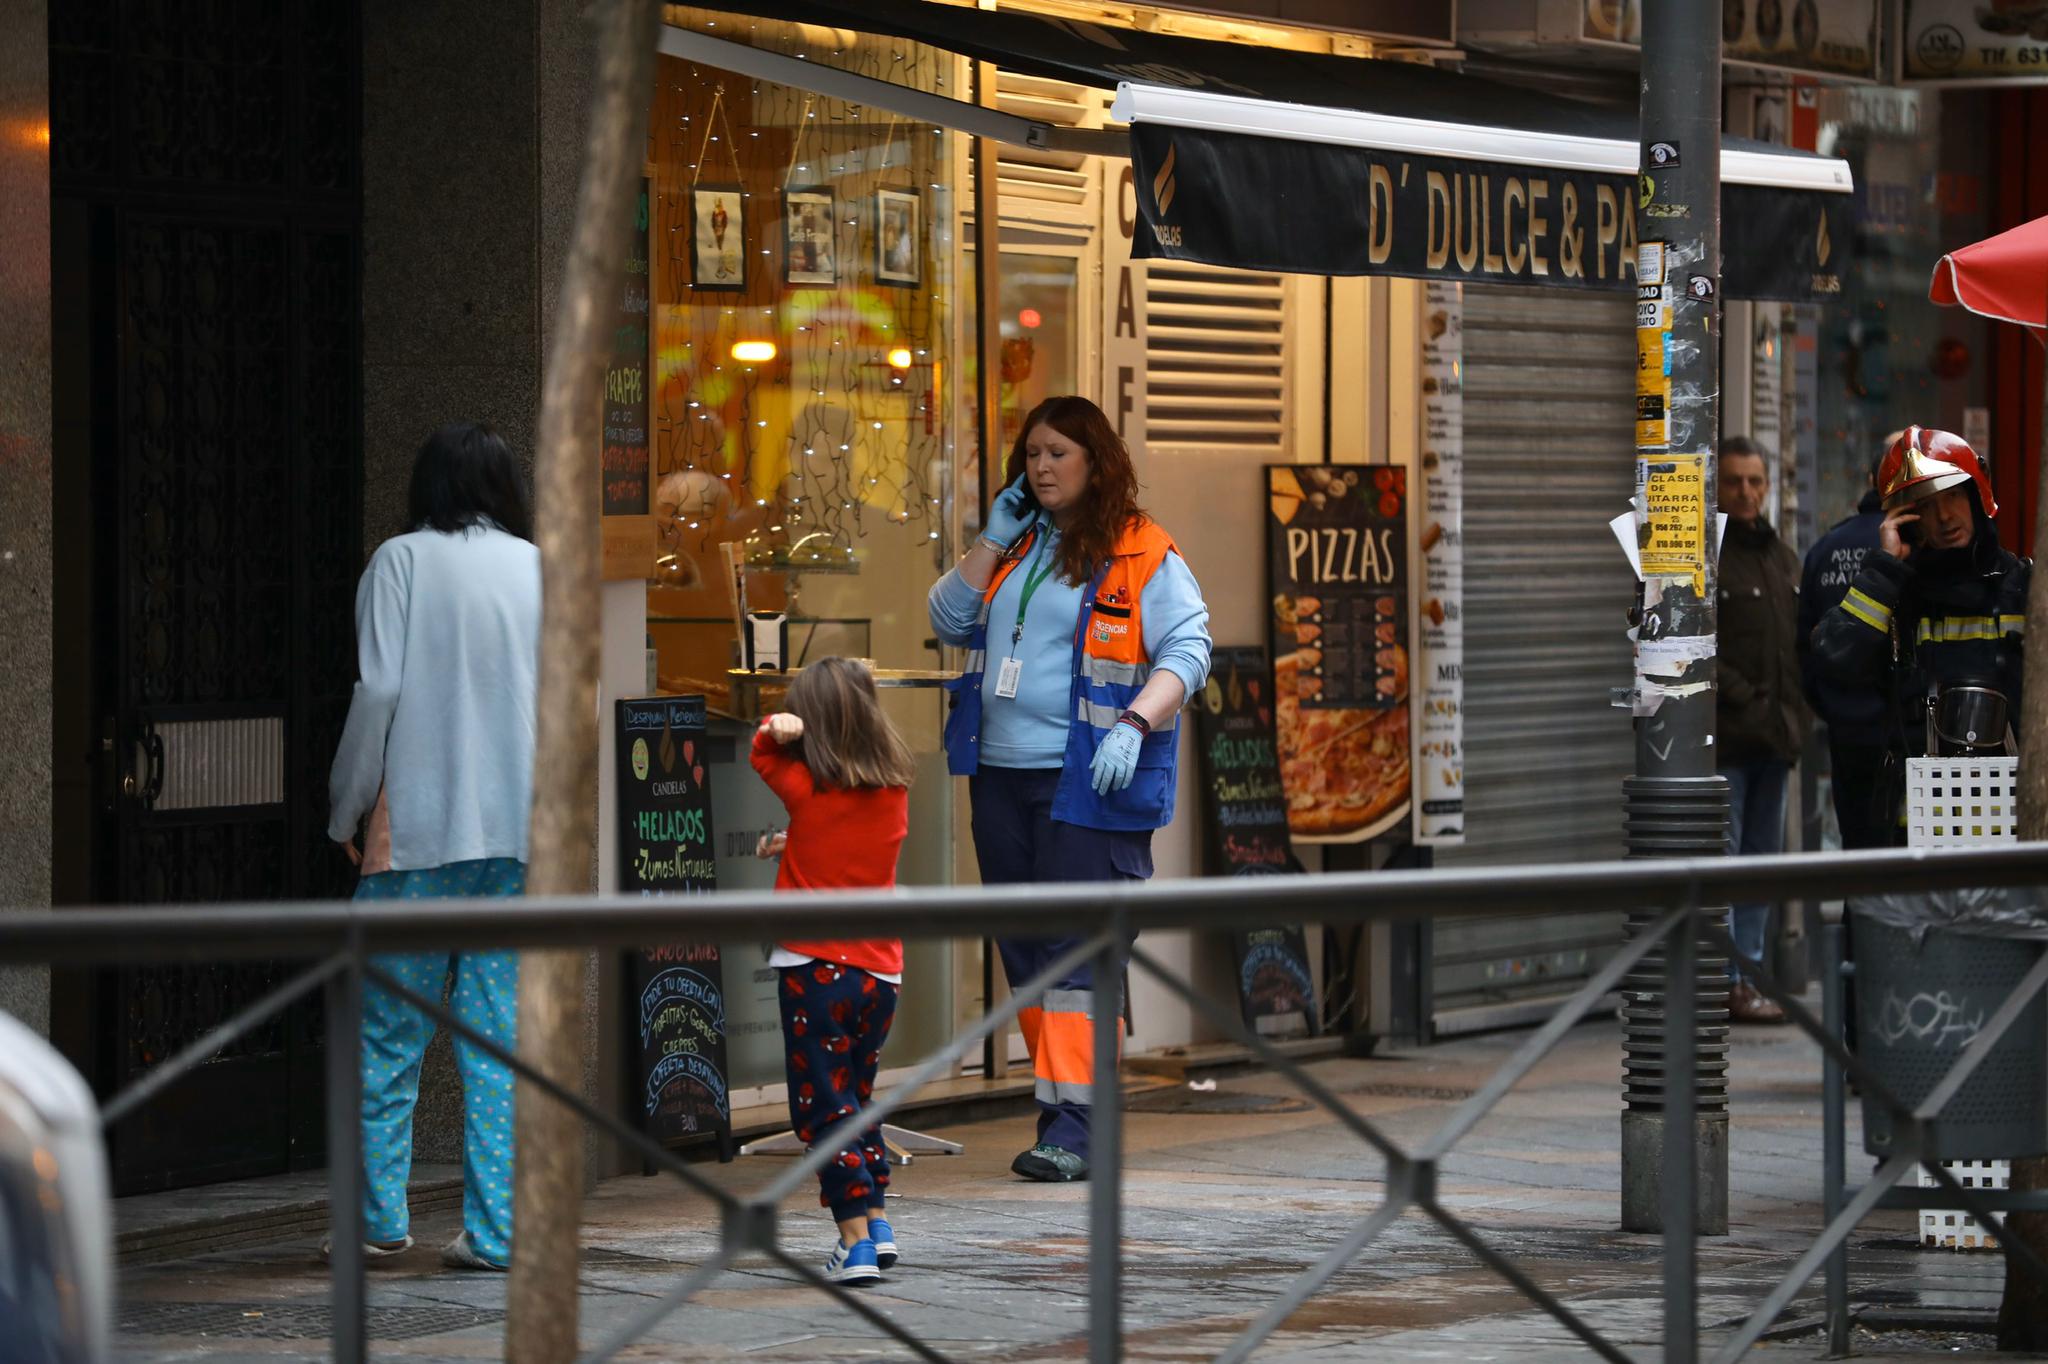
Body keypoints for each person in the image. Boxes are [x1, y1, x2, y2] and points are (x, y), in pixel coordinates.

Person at [927, 395, 1212, 1184]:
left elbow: (1189, 650)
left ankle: (1078, 1129)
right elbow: (947, 619)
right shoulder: (1017, 544)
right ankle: (1067, 1114)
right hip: (999, 776)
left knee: (1078, 955)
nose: (1042, 467)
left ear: (1096, 460)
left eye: (1058, 453)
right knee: (1027, 955)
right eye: (1032, 454)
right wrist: (990, 538)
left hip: (1088, 780)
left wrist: (1135, 724)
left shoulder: (1142, 548)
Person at [325, 422, 541, 1272]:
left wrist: (345, 809)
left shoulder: (399, 561)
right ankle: (496, 1233)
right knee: (495, 1044)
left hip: (414, 833)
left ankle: (377, 1219)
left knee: (387, 1037)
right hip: (516, 836)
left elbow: (377, 689)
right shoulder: (540, 568)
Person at [750, 658, 916, 1287]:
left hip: (814, 968)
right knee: (856, 1099)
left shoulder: (805, 787)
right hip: (880, 972)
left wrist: (778, 726)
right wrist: (794, 842)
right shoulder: (895, 789)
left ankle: (854, 1242)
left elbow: (761, 751)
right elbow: (841, 841)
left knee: (824, 1107)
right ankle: (878, 1220)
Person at [1811, 426, 2027, 837]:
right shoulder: (1894, 596)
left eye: (1952, 496)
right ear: (1908, 521)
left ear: (1977, 496)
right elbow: (1833, 662)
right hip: (1917, 837)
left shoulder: (2024, 590)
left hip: (2011, 830)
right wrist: (1883, 570)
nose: (1944, 517)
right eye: (1926, 506)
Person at [1715, 436, 1808, 1024]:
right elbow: (1694, 643)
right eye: (1734, 481)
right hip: (1728, 738)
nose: (1746, 492)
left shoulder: (1783, 558)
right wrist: (1745, 698)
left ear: (1769, 487)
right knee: (1725, 864)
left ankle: (1746, 978)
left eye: (1755, 481)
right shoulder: (1707, 556)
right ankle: (1726, 982)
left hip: (1776, 739)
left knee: (1759, 865)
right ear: (1716, 487)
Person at [1798, 441, 1896, 850]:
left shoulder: (1826, 548)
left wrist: (1833, 707)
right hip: (1902, 736)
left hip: (1845, 732)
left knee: (1858, 849)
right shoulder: (1921, 546)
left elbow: (1805, 649)